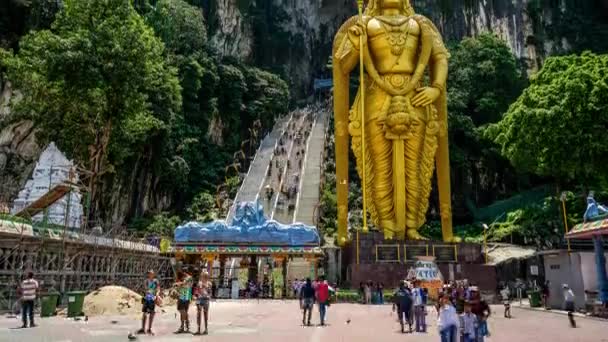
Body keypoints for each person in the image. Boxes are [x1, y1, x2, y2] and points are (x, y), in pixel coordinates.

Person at [138, 270, 160, 335]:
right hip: (146, 298)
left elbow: (158, 289)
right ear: (148, 274)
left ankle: (149, 329)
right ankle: (143, 328)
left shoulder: (156, 281)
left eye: (152, 273)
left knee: (152, 313)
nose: (151, 274)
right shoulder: (146, 281)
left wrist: (157, 295)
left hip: (152, 299)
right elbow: (144, 289)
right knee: (144, 314)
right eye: (150, 273)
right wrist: (147, 292)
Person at [194, 271, 212, 335]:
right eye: (204, 276)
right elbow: (196, 291)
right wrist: (196, 296)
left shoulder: (209, 283)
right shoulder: (199, 283)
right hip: (199, 299)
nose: (205, 277)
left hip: (206, 300)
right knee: (198, 314)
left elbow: (210, 293)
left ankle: (206, 329)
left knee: (205, 314)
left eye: (206, 276)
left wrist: (208, 296)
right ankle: (198, 329)